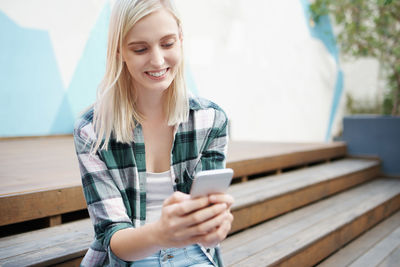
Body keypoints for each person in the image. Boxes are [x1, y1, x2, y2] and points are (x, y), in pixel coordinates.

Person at [73, 0, 234, 266]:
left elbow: (208, 227)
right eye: (140, 49)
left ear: (181, 40)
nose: (157, 60)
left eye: (168, 44)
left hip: (195, 254)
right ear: (118, 51)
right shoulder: (91, 131)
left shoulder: (211, 119)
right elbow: (112, 237)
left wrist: (213, 227)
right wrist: (161, 233)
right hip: (130, 258)